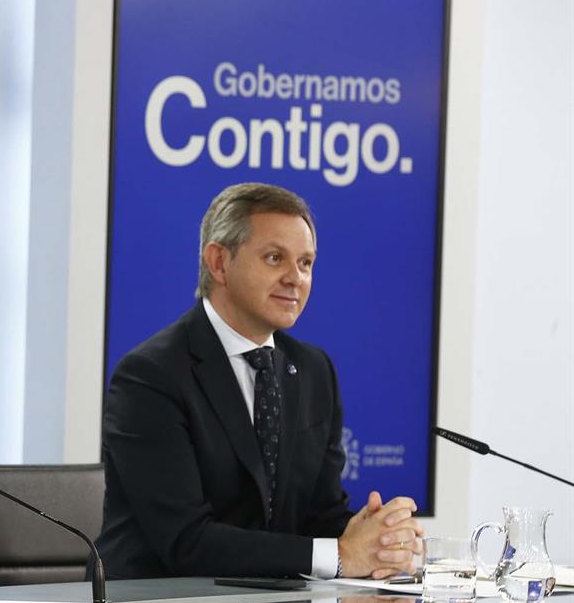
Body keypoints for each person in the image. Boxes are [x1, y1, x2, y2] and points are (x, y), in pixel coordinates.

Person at [95, 183, 423, 580]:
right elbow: (186, 542)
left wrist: (377, 540)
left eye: (305, 263)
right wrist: (340, 555)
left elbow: (318, 517)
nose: (295, 279)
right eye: (274, 258)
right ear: (218, 262)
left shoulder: (315, 370)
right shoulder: (150, 376)